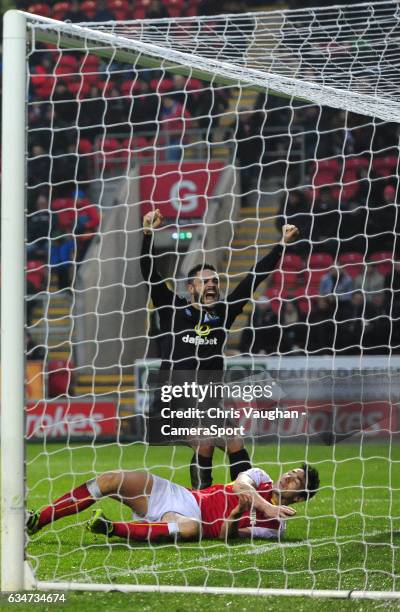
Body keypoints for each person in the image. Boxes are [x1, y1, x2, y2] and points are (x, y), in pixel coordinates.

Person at [141, 209, 299, 489]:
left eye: (215, 281)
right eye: (205, 281)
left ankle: (250, 500)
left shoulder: (223, 313)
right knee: (204, 442)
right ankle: (202, 503)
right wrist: (148, 235)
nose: (212, 285)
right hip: (175, 392)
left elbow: (253, 278)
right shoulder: (172, 307)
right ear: (191, 287)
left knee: (235, 442)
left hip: (208, 395)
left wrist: (281, 246)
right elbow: (149, 272)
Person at [27, 463, 320, 541]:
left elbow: (226, 536)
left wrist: (237, 512)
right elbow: (240, 483)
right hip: (182, 496)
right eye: (291, 472)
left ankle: (110, 528)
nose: (288, 477)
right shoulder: (261, 477)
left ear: (300, 496)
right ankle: (39, 518)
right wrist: (263, 504)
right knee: (109, 479)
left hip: (196, 522)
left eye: (297, 480)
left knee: (191, 529)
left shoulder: (275, 529)